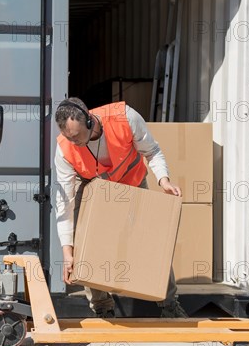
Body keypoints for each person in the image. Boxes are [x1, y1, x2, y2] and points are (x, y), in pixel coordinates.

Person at [54, 97, 188, 318]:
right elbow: (64, 203)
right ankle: (102, 307)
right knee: (87, 242)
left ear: (89, 121)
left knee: (151, 240)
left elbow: (152, 151)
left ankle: (169, 304)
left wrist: (163, 180)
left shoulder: (125, 118)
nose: (74, 143)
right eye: (69, 138)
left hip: (131, 181)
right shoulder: (64, 149)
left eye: (77, 136)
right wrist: (68, 252)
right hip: (91, 185)